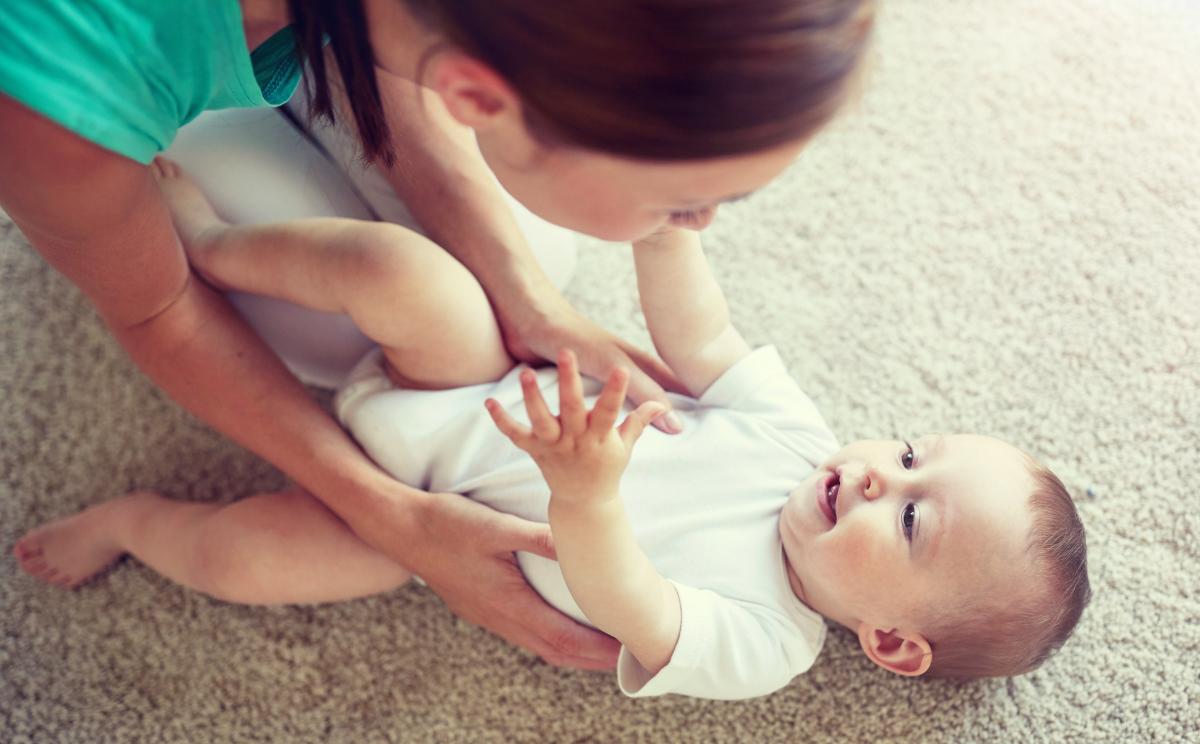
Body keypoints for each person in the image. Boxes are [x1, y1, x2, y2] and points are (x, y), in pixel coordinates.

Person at [0, 0, 875, 667]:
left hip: (454, 390)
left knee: (526, 261)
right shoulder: (56, 100)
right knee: (361, 310)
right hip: (111, 93)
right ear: (475, 93)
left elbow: (409, 45)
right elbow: (155, 309)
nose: (706, 220)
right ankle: (137, 520)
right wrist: (395, 520)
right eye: (683, 205)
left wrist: (528, 298)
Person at [15, 162, 1091, 697]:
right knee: (412, 277)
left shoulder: (771, 642)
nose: (870, 480)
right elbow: (703, 336)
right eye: (907, 456)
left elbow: (632, 601)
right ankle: (212, 243)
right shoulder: (795, 441)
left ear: (892, 642)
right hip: (464, 390)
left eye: (909, 523)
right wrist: (671, 236)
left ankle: (136, 520)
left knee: (257, 560)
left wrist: (584, 494)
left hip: (419, 535)